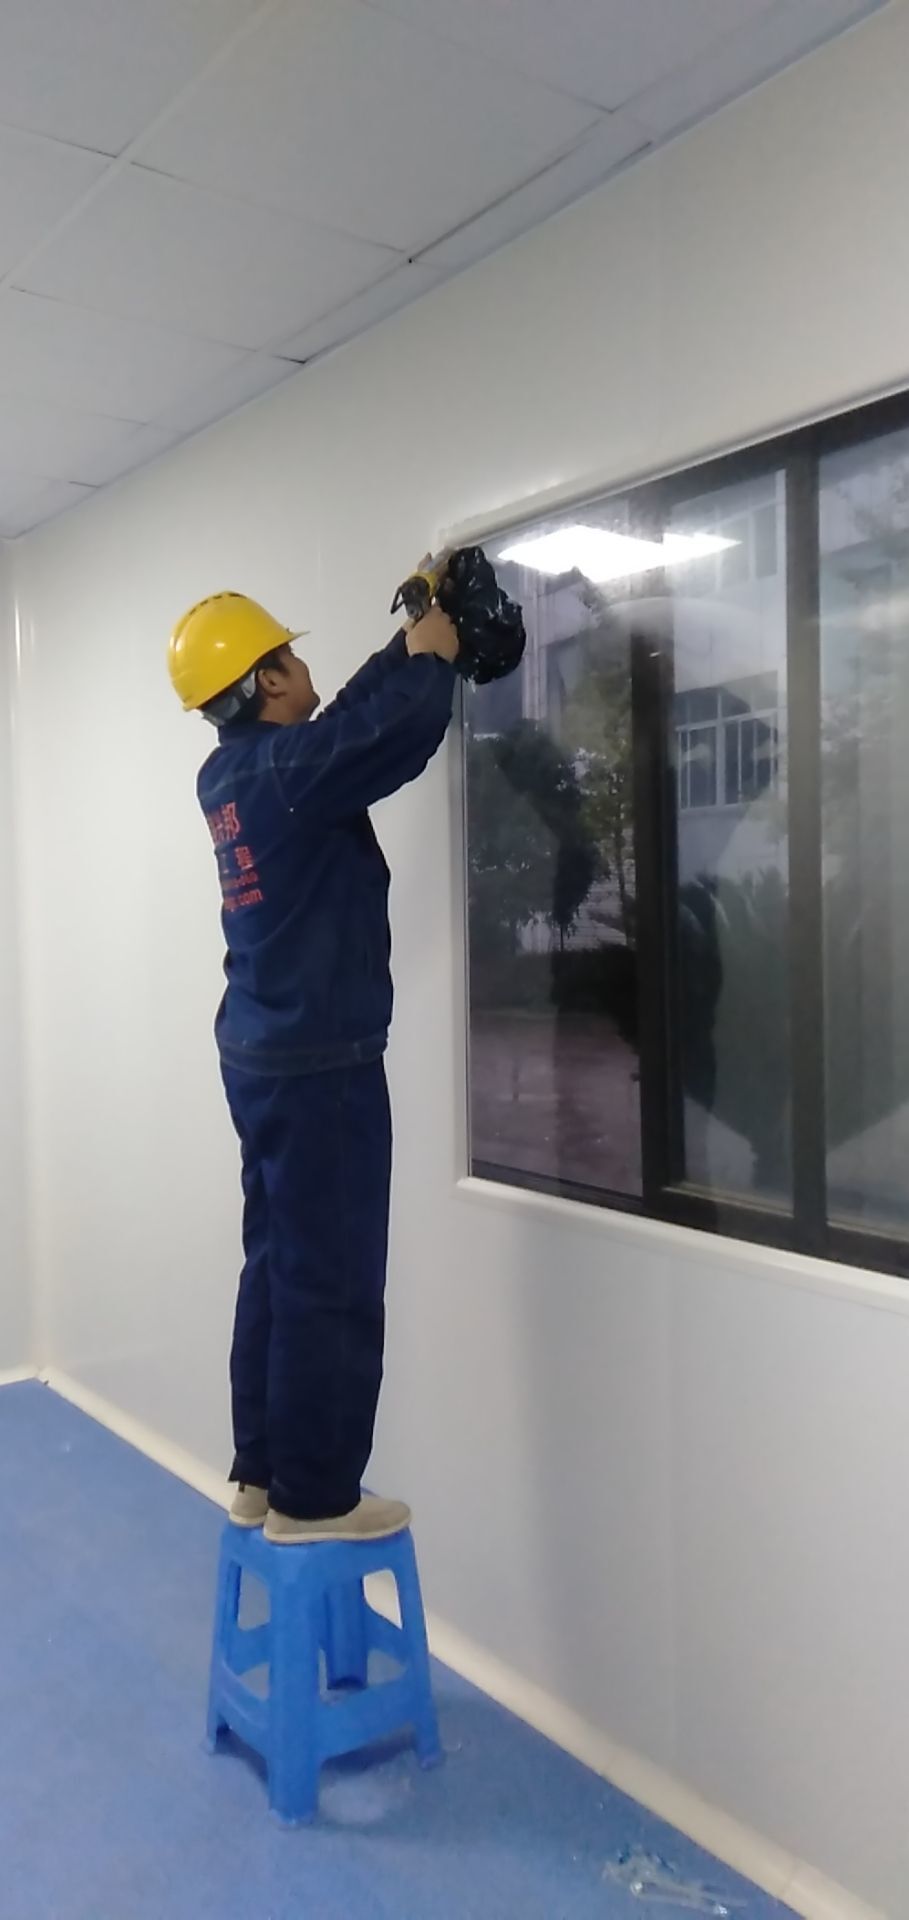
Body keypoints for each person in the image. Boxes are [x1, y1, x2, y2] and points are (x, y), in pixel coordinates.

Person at [167, 585, 459, 1544]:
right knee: (330, 1279)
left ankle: (262, 1472)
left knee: (278, 1263)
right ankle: (317, 1497)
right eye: (289, 660)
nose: (306, 670)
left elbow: (340, 728)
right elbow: (392, 735)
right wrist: (434, 660)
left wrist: (406, 646)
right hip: (318, 1066)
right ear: (264, 681)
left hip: (261, 1054)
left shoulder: (237, 774)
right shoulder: (291, 771)